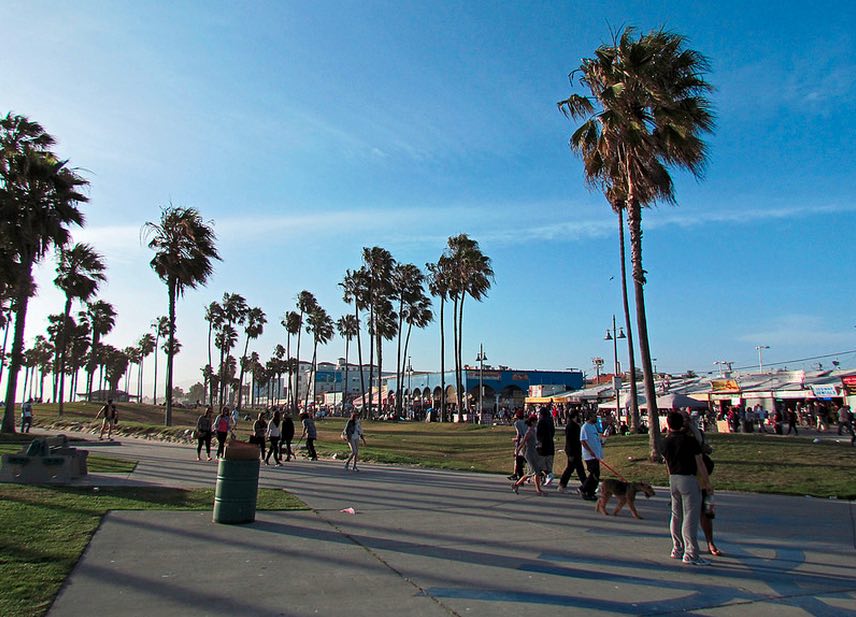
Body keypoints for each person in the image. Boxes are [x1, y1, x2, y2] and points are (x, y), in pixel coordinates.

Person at [661, 411, 713, 566]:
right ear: (682, 424)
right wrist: (707, 483)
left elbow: (666, 463)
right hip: (688, 478)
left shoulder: (665, 442)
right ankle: (691, 553)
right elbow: (700, 463)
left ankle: (677, 548)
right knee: (690, 516)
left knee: (676, 515)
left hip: (673, 478)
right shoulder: (690, 441)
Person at [681, 410, 721, 557]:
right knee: (687, 514)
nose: (686, 422)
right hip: (687, 478)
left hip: (702, 478)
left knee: (706, 513)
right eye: (683, 419)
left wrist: (705, 448)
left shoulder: (698, 433)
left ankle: (710, 542)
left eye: (687, 419)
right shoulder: (678, 437)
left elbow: (703, 449)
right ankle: (687, 546)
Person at [511, 414, 547, 496]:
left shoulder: (533, 430)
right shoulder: (529, 431)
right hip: (529, 454)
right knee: (533, 472)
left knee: (534, 472)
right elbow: (523, 443)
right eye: (536, 421)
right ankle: (517, 485)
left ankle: (517, 485)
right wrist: (517, 451)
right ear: (533, 422)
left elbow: (534, 442)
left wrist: (538, 444)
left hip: (534, 452)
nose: (537, 423)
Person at [557, 409, 586, 494]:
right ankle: (586, 485)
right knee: (577, 469)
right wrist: (570, 453)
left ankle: (563, 484)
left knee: (573, 468)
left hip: (574, 450)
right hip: (573, 451)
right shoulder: (572, 426)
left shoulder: (572, 425)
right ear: (575, 416)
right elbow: (570, 441)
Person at [579, 412, 602, 501]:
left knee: (596, 474)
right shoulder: (585, 427)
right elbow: (583, 441)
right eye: (594, 417)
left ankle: (591, 492)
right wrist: (590, 451)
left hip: (596, 454)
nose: (596, 418)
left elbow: (595, 439)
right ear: (589, 417)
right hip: (589, 455)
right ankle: (583, 488)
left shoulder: (593, 427)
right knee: (594, 474)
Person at [536, 406, 556, 485]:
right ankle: (548, 475)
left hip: (543, 446)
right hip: (550, 445)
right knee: (549, 463)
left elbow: (539, 434)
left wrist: (538, 443)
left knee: (541, 464)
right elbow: (553, 432)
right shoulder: (550, 421)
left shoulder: (541, 422)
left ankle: (547, 475)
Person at [508, 409, 527, 481]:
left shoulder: (517, 423)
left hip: (521, 441)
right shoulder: (526, 422)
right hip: (528, 441)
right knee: (524, 458)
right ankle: (516, 474)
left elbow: (519, 434)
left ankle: (519, 476)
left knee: (518, 459)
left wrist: (517, 444)